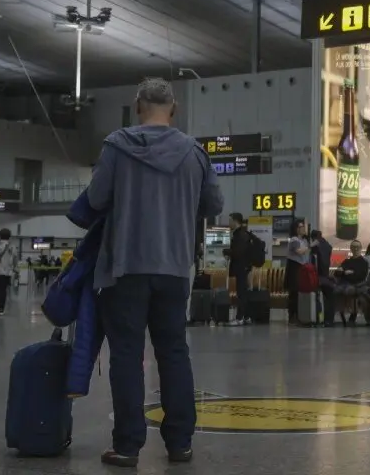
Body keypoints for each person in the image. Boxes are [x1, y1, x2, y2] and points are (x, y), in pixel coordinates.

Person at [86, 77, 223, 467]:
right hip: (175, 268)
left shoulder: (117, 145)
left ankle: (127, 446)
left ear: (137, 106)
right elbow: (213, 203)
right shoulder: (194, 152)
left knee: (127, 356)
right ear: (173, 109)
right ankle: (180, 443)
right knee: (173, 352)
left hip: (125, 266)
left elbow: (96, 198)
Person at [224, 212, 252, 326]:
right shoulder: (243, 234)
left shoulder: (239, 235)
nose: (229, 223)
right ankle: (246, 316)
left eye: (230, 220)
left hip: (241, 267)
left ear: (236, 221)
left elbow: (238, 252)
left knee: (241, 292)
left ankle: (239, 317)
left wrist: (227, 252)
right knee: (243, 292)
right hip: (244, 267)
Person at [283, 219, 310, 323]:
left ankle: (300, 314)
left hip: (302, 267)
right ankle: (292, 315)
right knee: (294, 292)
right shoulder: (294, 240)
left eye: (303, 226)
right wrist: (309, 247)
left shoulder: (304, 240)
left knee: (300, 292)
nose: (303, 228)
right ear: (296, 229)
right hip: (294, 268)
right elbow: (300, 252)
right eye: (300, 227)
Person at [0, 228, 18, 316]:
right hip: (7, 272)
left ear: (0, 235)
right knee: (3, 290)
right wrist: (16, 270)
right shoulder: (12, 246)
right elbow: (15, 259)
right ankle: (2, 308)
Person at [310, 229, 335, 326]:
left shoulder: (315, 246)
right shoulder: (328, 245)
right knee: (329, 297)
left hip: (317, 277)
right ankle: (329, 320)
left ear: (313, 237)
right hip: (326, 277)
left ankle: (318, 318)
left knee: (316, 297)